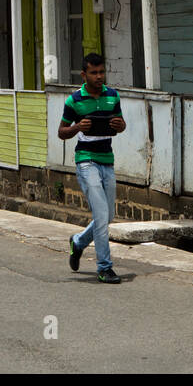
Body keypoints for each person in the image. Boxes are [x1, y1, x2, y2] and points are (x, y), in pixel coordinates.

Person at [59, 52, 127, 284]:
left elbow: (120, 124)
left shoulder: (113, 96)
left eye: (101, 72)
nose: (99, 77)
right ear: (84, 74)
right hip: (86, 161)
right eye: (94, 73)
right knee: (100, 214)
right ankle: (105, 267)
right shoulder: (74, 100)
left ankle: (78, 242)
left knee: (108, 216)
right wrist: (78, 127)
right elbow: (61, 132)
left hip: (107, 159)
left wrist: (120, 125)